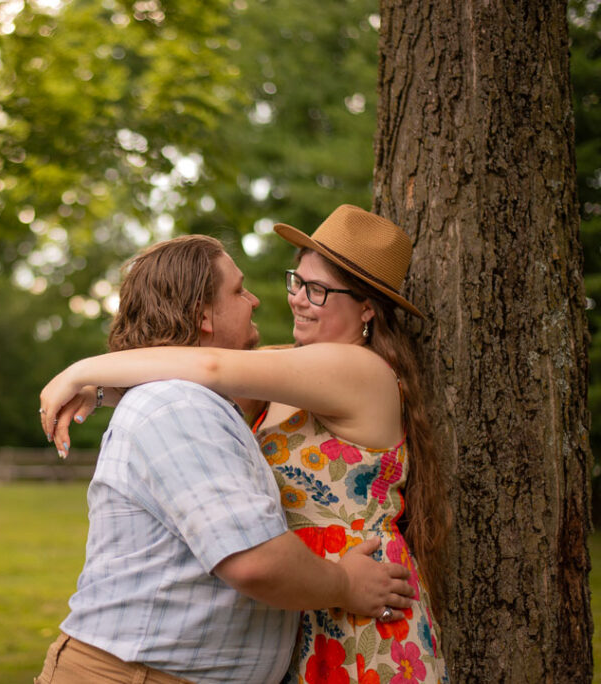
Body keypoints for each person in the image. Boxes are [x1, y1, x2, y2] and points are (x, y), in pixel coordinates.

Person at [39, 206, 449, 683]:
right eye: (297, 281)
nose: (296, 299)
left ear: (366, 308)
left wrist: (81, 372)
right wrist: (107, 391)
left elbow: (212, 367)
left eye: (317, 290)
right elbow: (193, 374)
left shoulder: (360, 371)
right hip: (313, 599)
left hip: (361, 604)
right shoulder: (291, 369)